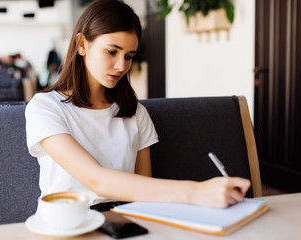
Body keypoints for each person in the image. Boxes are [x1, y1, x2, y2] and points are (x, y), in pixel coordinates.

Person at [25, 0, 250, 211]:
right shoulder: (45, 108)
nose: (121, 66)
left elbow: (144, 190)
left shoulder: (135, 113)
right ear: (82, 44)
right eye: (112, 51)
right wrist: (196, 191)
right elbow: (97, 180)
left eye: (129, 56)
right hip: (67, 223)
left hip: (124, 221)